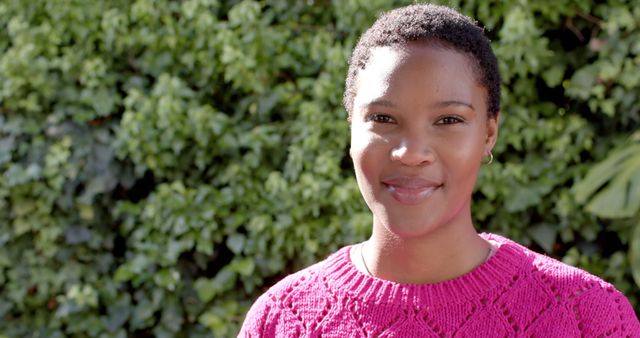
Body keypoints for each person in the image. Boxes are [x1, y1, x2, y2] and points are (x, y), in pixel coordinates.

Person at [239, 4, 640, 337]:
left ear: (489, 132)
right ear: (351, 128)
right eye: (382, 118)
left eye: (448, 120)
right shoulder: (282, 320)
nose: (411, 153)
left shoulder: (588, 317)